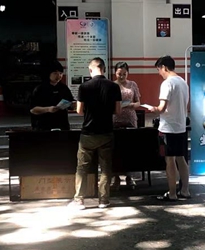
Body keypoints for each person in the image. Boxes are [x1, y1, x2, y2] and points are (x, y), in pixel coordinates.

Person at [69, 58, 122, 210]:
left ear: (90, 70)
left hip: (88, 133)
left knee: (82, 168)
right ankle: (104, 200)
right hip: (106, 132)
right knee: (105, 168)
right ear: (104, 69)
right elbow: (118, 111)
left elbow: (79, 111)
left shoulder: (84, 87)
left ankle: (79, 200)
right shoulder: (113, 86)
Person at [144, 56, 190, 202]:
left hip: (168, 128)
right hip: (181, 126)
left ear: (164, 67)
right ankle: (185, 190)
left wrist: (153, 109)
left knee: (170, 160)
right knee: (181, 159)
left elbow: (162, 108)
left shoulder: (167, 83)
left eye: (159, 70)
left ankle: (172, 193)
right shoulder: (183, 82)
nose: (159, 73)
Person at [112, 62, 141, 189]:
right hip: (115, 118)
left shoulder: (133, 84)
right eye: (119, 74)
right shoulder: (112, 85)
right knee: (115, 149)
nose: (122, 76)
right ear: (115, 73)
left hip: (130, 117)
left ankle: (130, 177)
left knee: (130, 148)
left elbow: (138, 102)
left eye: (124, 74)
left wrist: (132, 105)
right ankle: (116, 177)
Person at [29, 60, 74, 131]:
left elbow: (70, 102)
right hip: (43, 126)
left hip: (62, 126)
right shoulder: (39, 88)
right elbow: (33, 109)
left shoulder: (63, 88)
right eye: (55, 73)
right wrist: (48, 109)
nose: (59, 76)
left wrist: (72, 105)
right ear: (48, 73)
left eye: (60, 73)